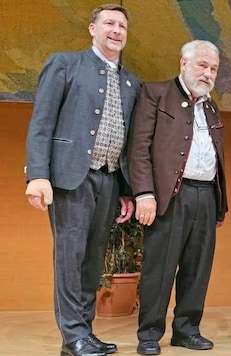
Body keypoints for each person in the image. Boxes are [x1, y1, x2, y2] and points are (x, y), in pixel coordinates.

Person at [24, 4, 139, 356]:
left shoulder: (131, 81)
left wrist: (124, 189)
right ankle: (72, 335)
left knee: (92, 263)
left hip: (107, 180)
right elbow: (41, 123)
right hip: (70, 178)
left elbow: (128, 139)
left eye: (122, 25)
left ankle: (83, 333)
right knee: (70, 259)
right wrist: (38, 175)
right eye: (109, 23)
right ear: (93, 28)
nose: (116, 30)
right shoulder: (64, 64)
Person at [128, 40, 228, 355]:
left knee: (197, 267)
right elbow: (139, 148)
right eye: (202, 65)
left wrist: (219, 202)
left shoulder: (212, 107)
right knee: (160, 266)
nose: (208, 73)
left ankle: (187, 330)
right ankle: (149, 334)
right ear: (183, 62)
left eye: (213, 68)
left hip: (206, 194)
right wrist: (144, 193)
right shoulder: (155, 94)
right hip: (170, 195)